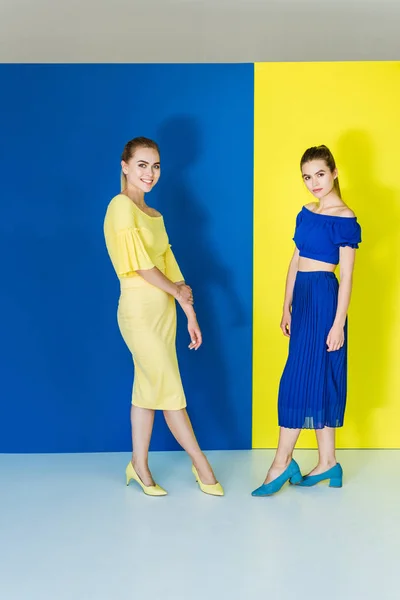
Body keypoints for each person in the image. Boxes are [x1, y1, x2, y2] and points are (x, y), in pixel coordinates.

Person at [103, 137, 223, 497]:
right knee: (169, 387)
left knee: (147, 389)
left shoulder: (155, 216)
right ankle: (202, 465)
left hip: (165, 313)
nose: (150, 173)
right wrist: (175, 292)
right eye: (142, 165)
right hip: (138, 311)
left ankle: (138, 465)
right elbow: (141, 265)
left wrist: (189, 313)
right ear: (125, 166)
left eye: (155, 166)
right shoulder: (120, 206)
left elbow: (172, 266)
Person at [252, 145, 362, 496]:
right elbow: (295, 259)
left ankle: (282, 462)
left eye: (319, 174)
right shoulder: (306, 212)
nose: (313, 182)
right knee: (316, 377)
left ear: (334, 173)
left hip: (326, 300)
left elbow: (346, 276)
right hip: (303, 298)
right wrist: (286, 306)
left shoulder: (345, 217)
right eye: (306, 177)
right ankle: (328, 461)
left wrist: (338, 323)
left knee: (300, 378)